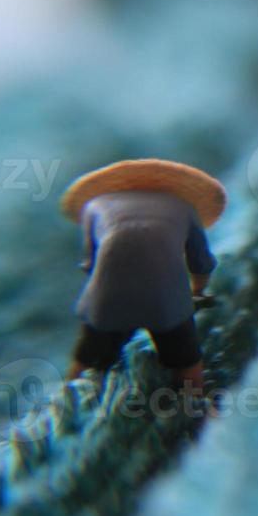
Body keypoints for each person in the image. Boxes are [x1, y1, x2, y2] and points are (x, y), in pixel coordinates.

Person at [59, 159, 226, 394]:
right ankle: (195, 398)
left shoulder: (94, 206)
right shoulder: (185, 208)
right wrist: (198, 290)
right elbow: (200, 262)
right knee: (186, 358)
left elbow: (90, 263)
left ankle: (66, 393)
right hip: (167, 300)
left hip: (108, 298)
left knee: (89, 354)